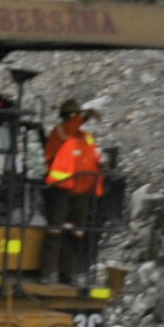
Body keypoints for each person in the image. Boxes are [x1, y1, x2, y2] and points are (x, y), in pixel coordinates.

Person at [43, 99, 105, 274]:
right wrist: (85, 115)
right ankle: (47, 272)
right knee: (55, 231)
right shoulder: (60, 132)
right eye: (75, 116)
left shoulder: (87, 137)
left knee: (75, 233)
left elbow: (96, 156)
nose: (77, 120)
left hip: (82, 191)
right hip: (62, 189)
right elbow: (70, 128)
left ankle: (68, 273)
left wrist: (102, 163)